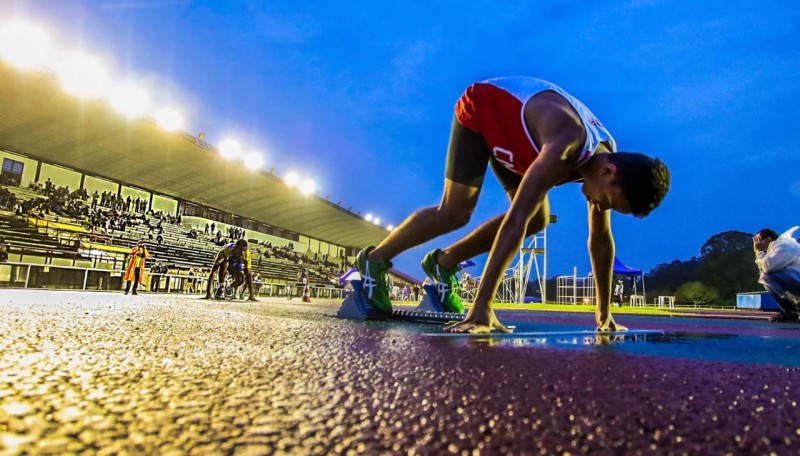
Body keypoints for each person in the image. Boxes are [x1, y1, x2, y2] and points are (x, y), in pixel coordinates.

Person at [355, 77, 669, 333]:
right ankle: (375, 260)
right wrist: (482, 308)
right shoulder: (565, 145)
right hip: (484, 111)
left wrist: (603, 314)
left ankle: (444, 263)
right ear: (608, 171)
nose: (602, 207)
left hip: (522, 141)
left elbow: (600, 240)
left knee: (537, 219)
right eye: (610, 202)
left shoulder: (604, 159)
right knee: (456, 212)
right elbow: (514, 220)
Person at [753, 227, 800, 323]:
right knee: (766, 275)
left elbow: (766, 267)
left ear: (768, 240)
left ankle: (791, 312)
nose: (756, 244)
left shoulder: (783, 246)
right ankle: (793, 309)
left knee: (767, 276)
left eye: (758, 240)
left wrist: (759, 252)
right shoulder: (778, 247)